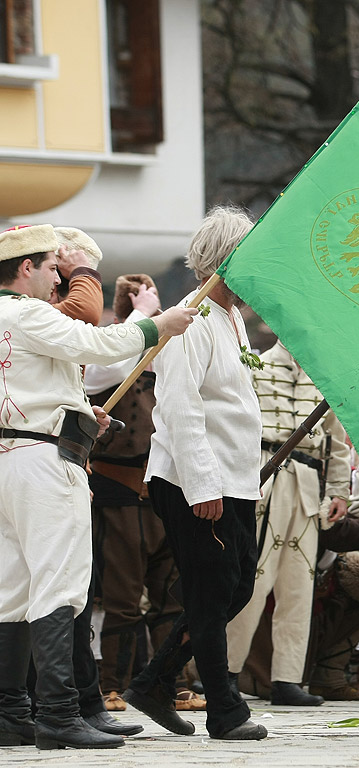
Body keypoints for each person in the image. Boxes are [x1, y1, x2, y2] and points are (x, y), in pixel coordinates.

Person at [0, 224, 195, 750]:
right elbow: (96, 341)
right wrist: (160, 324)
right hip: (43, 461)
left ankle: (11, 713)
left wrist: (77, 412)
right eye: (50, 269)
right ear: (27, 268)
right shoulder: (26, 311)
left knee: (11, 590)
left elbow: (35, 381)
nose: (54, 280)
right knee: (60, 585)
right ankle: (59, 715)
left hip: (5, 460)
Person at [121, 206, 268, 741]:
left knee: (237, 585)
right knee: (211, 591)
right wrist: (202, 487)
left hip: (234, 476)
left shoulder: (230, 317)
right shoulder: (192, 318)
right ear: (226, 262)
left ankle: (154, 681)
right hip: (192, 480)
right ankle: (224, 711)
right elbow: (179, 410)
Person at [85, 274, 193, 714]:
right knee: (123, 594)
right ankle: (112, 684)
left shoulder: (162, 347)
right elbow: (99, 374)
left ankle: (172, 684)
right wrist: (140, 318)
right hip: (116, 484)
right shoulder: (109, 344)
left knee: (169, 593)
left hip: (162, 483)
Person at [225, 340, 351, 707]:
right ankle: (227, 673)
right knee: (254, 581)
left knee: (298, 585)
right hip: (264, 478)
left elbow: (337, 440)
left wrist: (340, 491)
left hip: (308, 484)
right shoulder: (256, 366)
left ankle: (287, 679)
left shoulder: (323, 375)